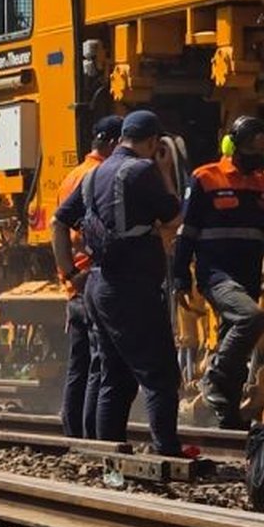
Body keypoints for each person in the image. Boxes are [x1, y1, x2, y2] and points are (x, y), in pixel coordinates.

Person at [53, 110, 189, 456]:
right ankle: (167, 452)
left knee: (115, 375)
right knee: (160, 376)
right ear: (152, 142)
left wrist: (70, 272)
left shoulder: (92, 175)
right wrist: (162, 169)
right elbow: (174, 214)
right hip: (133, 287)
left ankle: (107, 452)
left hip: (98, 284)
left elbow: (58, 222)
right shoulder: (142, 170)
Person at [172, 115, 264, 428]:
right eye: (250, 147)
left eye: (261, 148)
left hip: (247, 278)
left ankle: (228, 420)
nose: (256, 155)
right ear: (232, 146)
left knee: (233, 340)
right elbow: (186, 234)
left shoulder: (262, 184)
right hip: (216, 276)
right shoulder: (206, 178)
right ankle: (214, 379)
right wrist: (180, 278)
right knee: (252, 318)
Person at [50, 114, 122, 439]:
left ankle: (74, 430)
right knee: (99, 361)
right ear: (111, 142)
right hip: (91, 278)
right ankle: (91, 436)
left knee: (81, 361)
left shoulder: (74, 175)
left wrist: (69, 273)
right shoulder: (99, 176)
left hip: (76, 282)